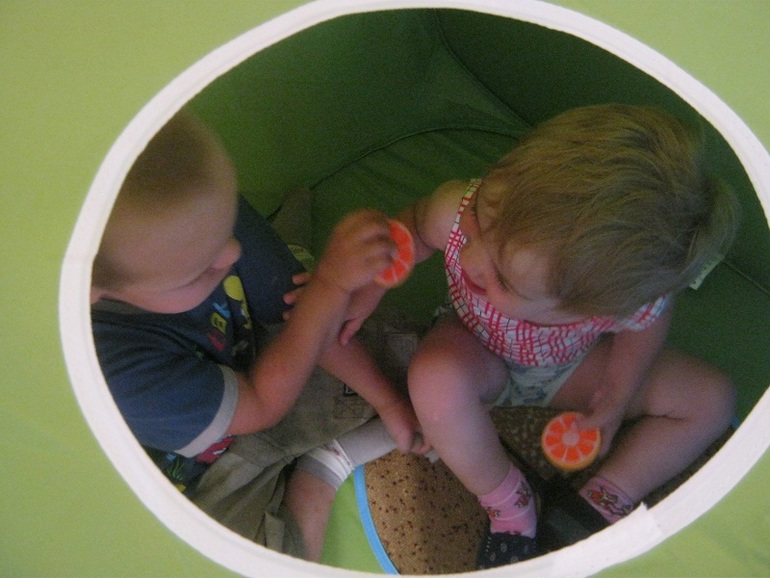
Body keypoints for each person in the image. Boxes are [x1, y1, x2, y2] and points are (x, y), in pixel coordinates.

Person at [346, 104, 740, 568]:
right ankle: (509, 504)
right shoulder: (454, 208)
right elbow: (412, 228)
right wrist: (373, 284)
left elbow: (644, 331)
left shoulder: (620, 303)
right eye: (477, 225)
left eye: (504, 279)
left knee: (712, 399)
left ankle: (604, 498)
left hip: (573, 366)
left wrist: (616, 395)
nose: (470, 260)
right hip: (476, 345)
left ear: (594, 311)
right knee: (433, 382)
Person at [90, 110, 424, 561]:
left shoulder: (190, 206)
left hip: (252, 358)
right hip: (203, 459)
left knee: (413, 369)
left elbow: (296, 309)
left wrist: (388, 400)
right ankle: (324, 466)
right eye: (199, 268)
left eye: (228, 223)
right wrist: (328, 286)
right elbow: (261, 406)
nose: (231, 252)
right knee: (259, 557)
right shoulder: (117, 372)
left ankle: (290, 247)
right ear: (93, 292)